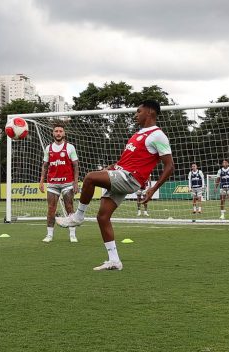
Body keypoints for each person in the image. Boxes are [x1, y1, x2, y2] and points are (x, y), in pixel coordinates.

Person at [57, 100, 174, 271]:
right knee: (102, 217)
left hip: (130, 178)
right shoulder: (137, 135)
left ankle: (78, 216)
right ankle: (114, 260)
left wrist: (153, 188)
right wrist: (109, 169)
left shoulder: (158, 135)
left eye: (139, 111)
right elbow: (124, 162)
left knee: (89, 178)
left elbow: (170, 166)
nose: (136, 114)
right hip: (122, 174)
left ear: (150, 112)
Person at [38, 124, 79, 243]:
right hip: (52, 183)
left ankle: (72, 234)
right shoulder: (48, 148)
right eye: (56, 131)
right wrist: (41, 181)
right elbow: (45, 166)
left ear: (64, 133)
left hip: (67, 183)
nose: (58, 133)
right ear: (53, 133)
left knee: (69, 207)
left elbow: (75, 165)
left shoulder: (70, 147)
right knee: (51, 209)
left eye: (60, 131)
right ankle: (49, 235)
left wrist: (76, 182)